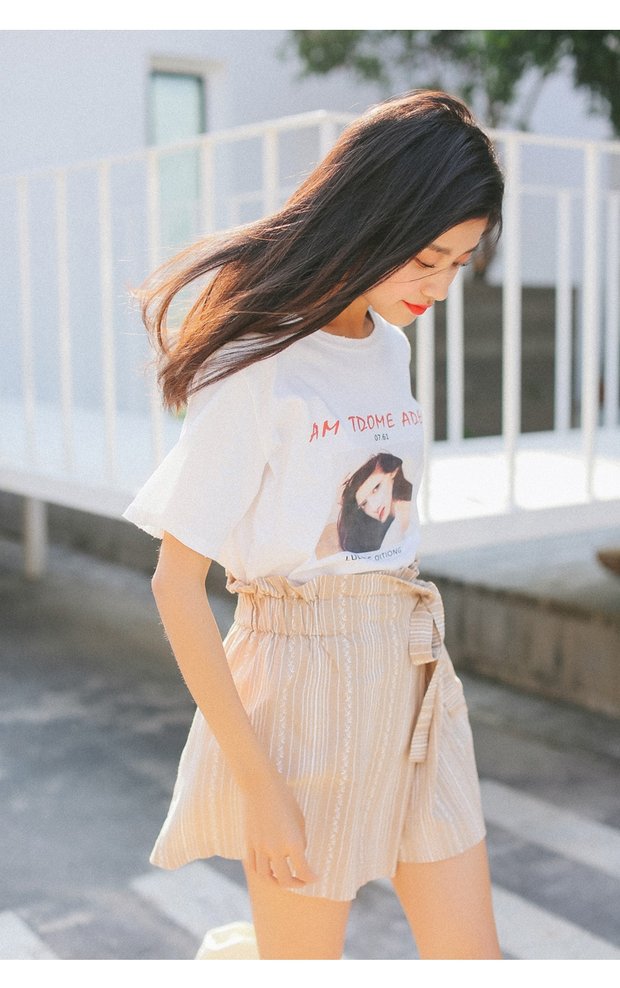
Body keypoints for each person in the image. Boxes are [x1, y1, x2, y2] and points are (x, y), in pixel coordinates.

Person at [123, 90, 504, 960]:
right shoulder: (257, 365)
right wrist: (259, 787)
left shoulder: (388, 342)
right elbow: (176, 585)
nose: (440, 287)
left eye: (460, 263)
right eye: (427, 259)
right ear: (373, 220)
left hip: (414, 671)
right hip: (302, 690)